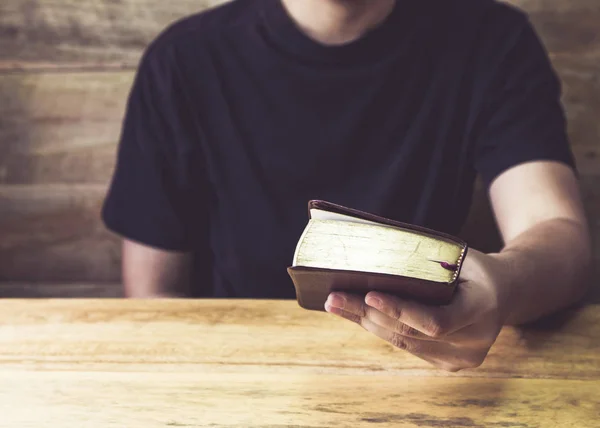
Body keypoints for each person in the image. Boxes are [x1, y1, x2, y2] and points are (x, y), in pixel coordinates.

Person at [102, 0, 591, 371]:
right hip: (234, 370)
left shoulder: (490, 38)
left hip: (414, 369)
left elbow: (556, 231)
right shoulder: (184, 60)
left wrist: (500, 286)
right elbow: (153, 298)